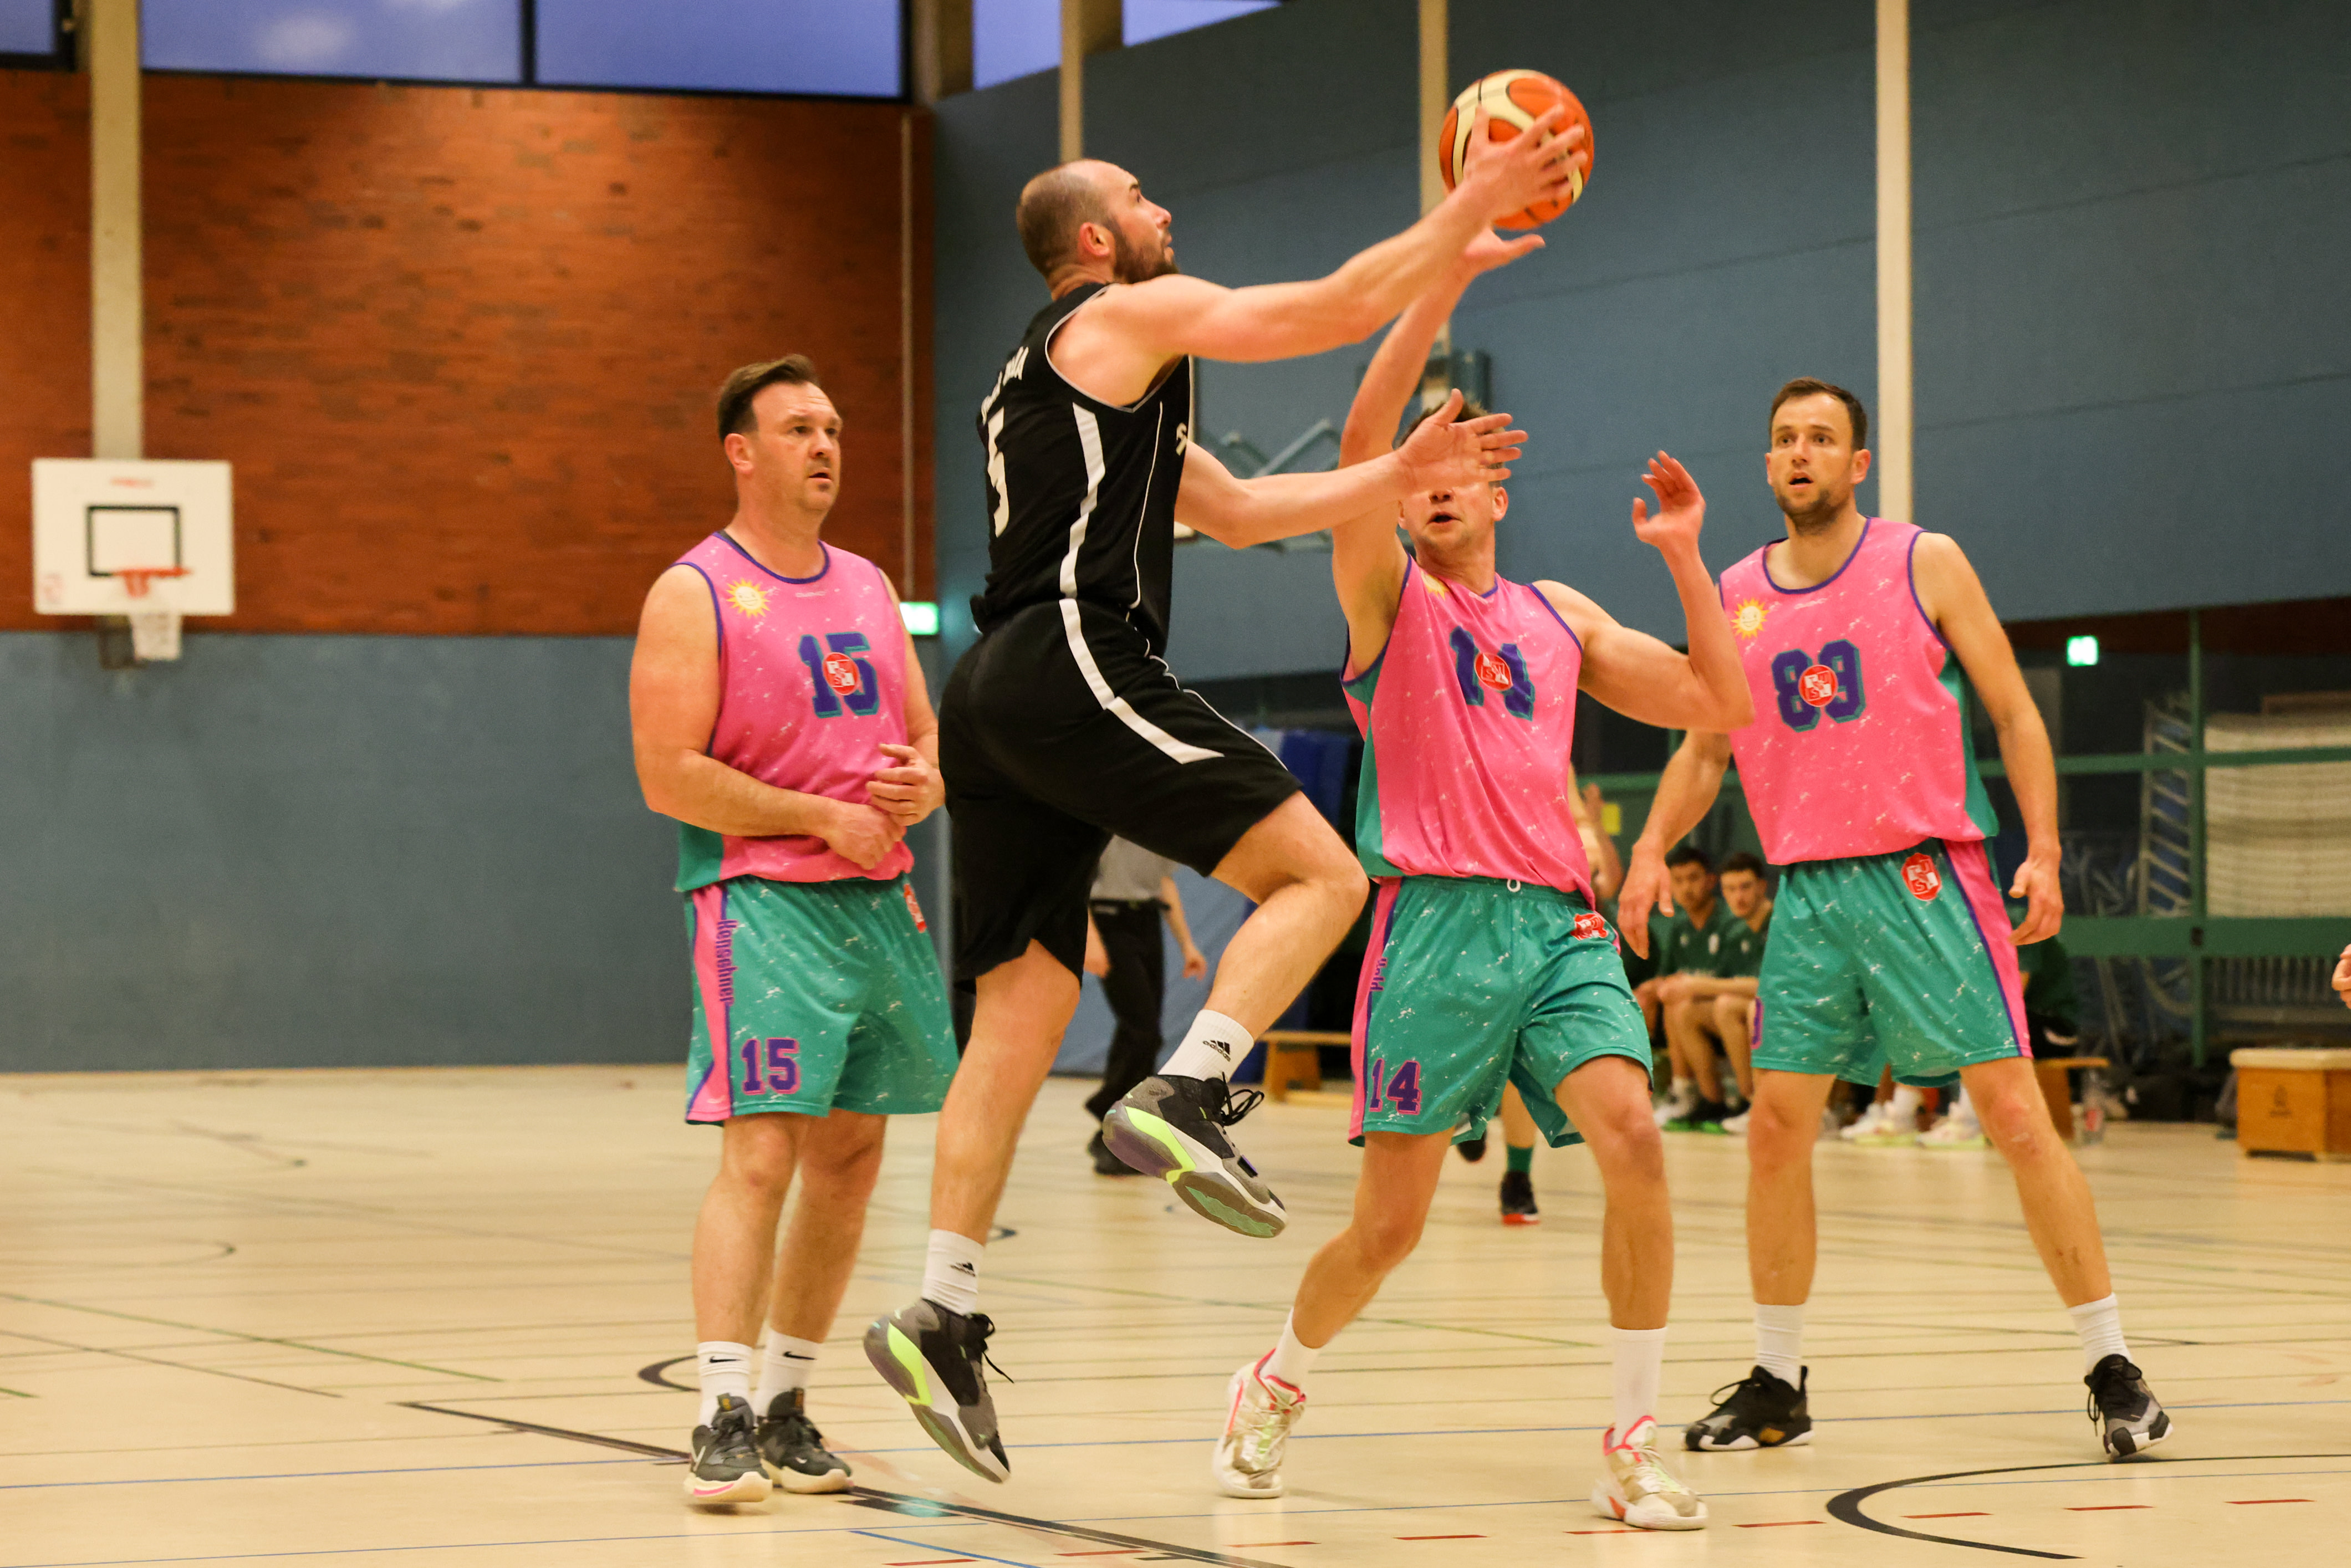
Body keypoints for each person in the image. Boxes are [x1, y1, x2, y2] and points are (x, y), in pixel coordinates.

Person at [866, 118, 1584, 1484]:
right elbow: (1325, 307)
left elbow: (1245, 512)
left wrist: (1394, 474)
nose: (1164, 210)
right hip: (1075, 652)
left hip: (992, 692)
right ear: (1093, 238)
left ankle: (942, 1306)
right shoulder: (1123, 315)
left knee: (1019, 1014)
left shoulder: (1067, 379)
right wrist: (1462, 210)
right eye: (1141, 197)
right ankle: (1188, 1088)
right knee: (1323, 875)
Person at [1209, 233, 1752, 1530]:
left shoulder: (1558, 615)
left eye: (1461, 468)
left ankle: (1629, 1444)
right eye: (1422, 472)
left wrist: (1684, 554)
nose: (1438, 485)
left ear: (1497, 494)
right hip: (1434, 929)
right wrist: (1442, 278)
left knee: (1633, 1139)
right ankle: (1274, 1380)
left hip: (1557, 927)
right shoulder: (1385, 597)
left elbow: (1718, 700)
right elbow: (1359, 441)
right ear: (1400, 498)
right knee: (1387, 1228)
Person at [1619, 377, 2171, 1461]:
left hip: (1925, 875)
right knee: (1774, 1128)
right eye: (1784, 438)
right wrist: (1645, 846)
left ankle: (2113, 1365)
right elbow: (1703, 749)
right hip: (1807, 892)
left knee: (2014, 1116)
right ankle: (1776, 1379)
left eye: (1821, 437)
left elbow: (2012, 710)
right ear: (1767, 462)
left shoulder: (1924, 561)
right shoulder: (1733, 591)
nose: (1800, 452)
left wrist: (2043, 846)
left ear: (1856, 463)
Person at [630, 356, 958, 1506]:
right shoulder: (696, 590)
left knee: (853, 1158)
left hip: (878, 898)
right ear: (742, 450)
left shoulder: (867, 583)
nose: (824, 445)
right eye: (798, 429)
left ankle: (784, 1400)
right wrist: (818, 815)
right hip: (762, 899)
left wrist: (923, 781)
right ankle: (718, 1410)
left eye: (833, 427)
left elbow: (923, 735)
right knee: (762, 1151)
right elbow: (667, 773)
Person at [1462, 774, 1621, 1225]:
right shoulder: (1466, 758)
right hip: (1475, 913)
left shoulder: (1551, 756)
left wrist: (1590, 835)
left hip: (1548, 925)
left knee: (1520, 1053)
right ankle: (1470, 1105)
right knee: (1474, 1046)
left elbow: (1602, 867)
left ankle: (1517, 1176)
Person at [1080, 837, 1210, 1175]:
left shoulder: (1155, 828)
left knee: (1144, 1032)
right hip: (1108, 920)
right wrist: (1090, 939)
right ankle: (1108, 1112)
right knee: (1142, 1029)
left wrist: (1188, 945)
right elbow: (1075, 884)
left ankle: (1123, 1133)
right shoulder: (1102, 826)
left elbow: (1164, 883)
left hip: (1147, 921)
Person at [1658, 850, 1773, 1133]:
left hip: (1791, 1005)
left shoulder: (1778, 922)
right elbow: (1737, 982)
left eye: (1745, 887)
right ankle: (1711, 1100)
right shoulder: (1739, 931)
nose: (1739, 897)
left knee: (1735, 1006)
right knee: (1685, 1010)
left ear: (1762, 887)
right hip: (1757, 1006)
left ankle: (1754, 1101)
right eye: (1731, 889)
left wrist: (1698, 985)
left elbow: (1765, 986)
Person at [1641, 846, 1744, 1128]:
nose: (1686, 888)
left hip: (1731, 1011)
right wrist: (1648, 991)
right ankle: (1680, 1092)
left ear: (1711, 881)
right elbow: (1667, 977)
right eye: (1678, 880)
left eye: (1693, 878)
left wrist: (1687, 987)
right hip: (1700, 1013)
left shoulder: (1731, 921)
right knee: (1660, 996)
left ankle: (1712, 1098)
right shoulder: (1680, 927)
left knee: (1681, 1004)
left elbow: (1737, 983)